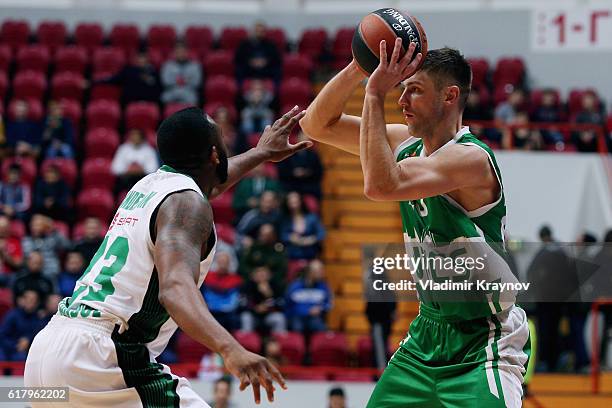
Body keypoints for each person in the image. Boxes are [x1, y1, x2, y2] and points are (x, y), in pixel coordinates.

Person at [25, 105, 311, 407]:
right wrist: (230, 349)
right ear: (215, 154)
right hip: (102, 357)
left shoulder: (151, 185)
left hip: (50, 349)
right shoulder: (187, 204)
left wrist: (261, 152)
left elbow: (208, 187)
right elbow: (174, 289)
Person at [300, 42, 530, 407]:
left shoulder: (470, 158)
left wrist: (375, 93)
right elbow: (316, 125)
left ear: (450, 96)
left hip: (482, 339)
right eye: (400, 88)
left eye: (415, 90)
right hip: (427, 333)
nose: (402, 99)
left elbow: (380, 185)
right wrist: (359, 68)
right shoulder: (405, 144)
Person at [96, 51, 161, 105]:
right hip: (129, 102)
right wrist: (96, 81)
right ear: (135, 59)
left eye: (143, 58)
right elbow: (113, 79)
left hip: (149, 103)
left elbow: (158, 88)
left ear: (147, 60)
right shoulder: (128, 71)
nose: (141, 60)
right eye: (139, 58)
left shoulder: (154, 72)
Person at [285, 259, 331, 333]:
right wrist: (307, 311)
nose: (322, 273)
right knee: (297, 326)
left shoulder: (323, 286)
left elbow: (328, 303)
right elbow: (288, 304)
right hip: (297, 317)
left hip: (315, 318)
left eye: (321, 270)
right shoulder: (295, 285)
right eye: (319, 271)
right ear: (310, 272)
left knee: (319, 327)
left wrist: (320, 308)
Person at [111, 128, 160, 193]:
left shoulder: (149, 150)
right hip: (126, 180)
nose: (135, 138)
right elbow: (115, 168)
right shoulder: (123, 149)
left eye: (137, 136)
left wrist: (140, 169)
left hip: (143, 180)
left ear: (142, 138)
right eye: (133, 136)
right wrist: (129, 169)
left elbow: (153, 169)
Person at [280, 191, 325, 260]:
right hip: (291, 256)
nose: (294, 206)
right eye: (291, 203)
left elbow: (321, 234)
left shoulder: (312, 217)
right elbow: (282, 235)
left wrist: (311, 239)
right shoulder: (285, 219)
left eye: (295, 202)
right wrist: (291, 238)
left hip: (310, 254)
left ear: (301, 202)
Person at [0, 290, 44, 361]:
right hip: (8, 347)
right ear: (22, 300)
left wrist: (28, 340)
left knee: (23, 357)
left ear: (37, 303)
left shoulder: (38, 317)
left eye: (33, 300)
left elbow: (38, 334)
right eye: (28, 299)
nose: (30, 302)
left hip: (28, 349)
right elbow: (2, 336)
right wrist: (16, 345)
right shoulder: (12, 315)